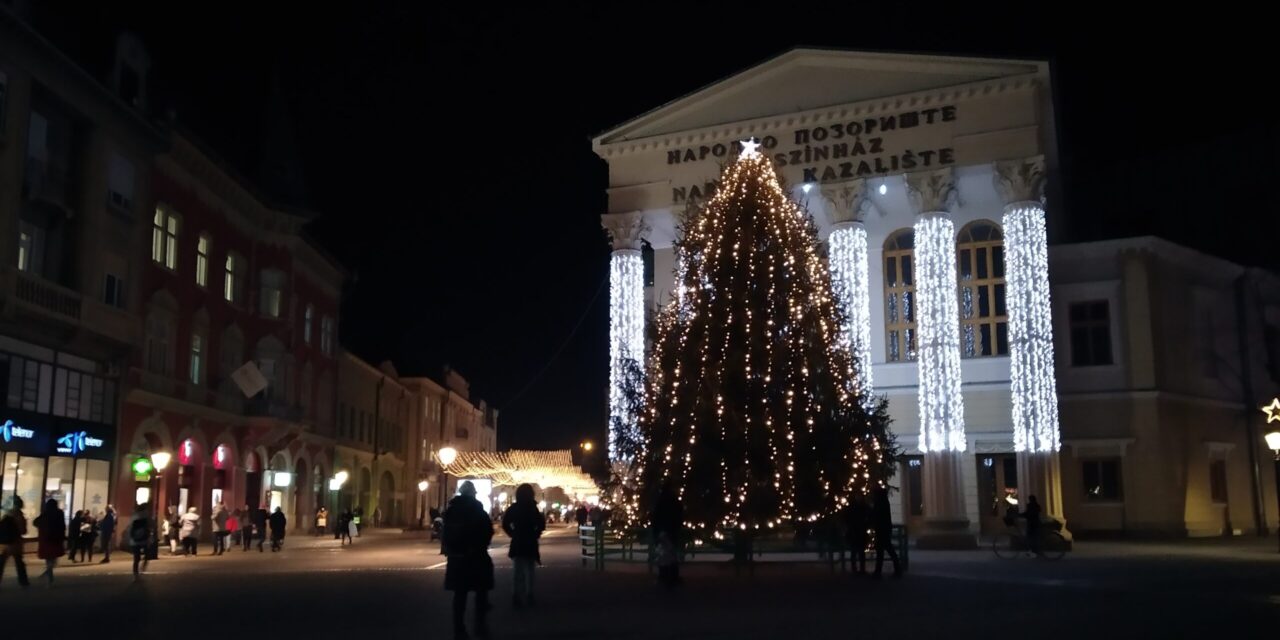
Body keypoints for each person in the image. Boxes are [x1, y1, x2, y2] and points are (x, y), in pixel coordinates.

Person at [443, 481, 494, 640]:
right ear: (473, 493)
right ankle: (479, 625)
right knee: (481, 592)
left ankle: (459, 629)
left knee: (460, 596)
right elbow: (488, 531)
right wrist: (480, 546)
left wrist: (451, 549)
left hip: (457, 558)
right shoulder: (478, 510)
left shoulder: (451, 510)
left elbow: (445, 533)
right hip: (476, 556)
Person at [501, 483, 545, 608]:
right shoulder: (533, 508)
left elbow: (505, 523)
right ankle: (529, 594)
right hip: (530, 540)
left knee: (517, 570)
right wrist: (536, 533)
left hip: (518, 540)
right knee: (530, 569)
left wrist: (512, 533)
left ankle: (516, 595)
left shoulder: (514, 508)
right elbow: (541, 524)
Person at [651, 484, 683, 587]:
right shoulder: (674, 501)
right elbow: (679, 514)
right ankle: (673, 576)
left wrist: (657, 530)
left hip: (663, 531)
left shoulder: (660, 501)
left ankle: (663, 576)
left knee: (663, 555)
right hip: (672, 531)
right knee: (672, 555)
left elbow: (655, 517)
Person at [871, 487, 901, 579]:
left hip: (881, 529)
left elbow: (877, 515)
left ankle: (879, 571)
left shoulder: (880, 502)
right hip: (884, 529)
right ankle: (881, 571)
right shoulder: (884, 501)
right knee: (886, 550)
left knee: (884, 550)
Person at [34, 499, 65, 585]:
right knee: (53, 559)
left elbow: (36, 522)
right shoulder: (59, 513)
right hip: (56, 539)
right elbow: (62, 526)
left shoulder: (45, 513)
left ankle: (49, 577)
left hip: (46, 539)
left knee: (48, 559)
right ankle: (49, 575)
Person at [0, 496, 30, 588]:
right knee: (19, 563)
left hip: (3, 544)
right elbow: (23, 531)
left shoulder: (6, 515)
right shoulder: (19, 516)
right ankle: (23, 582)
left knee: (1, 563)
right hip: (15, 544)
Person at [842, 493, 871, 574]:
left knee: (857, 552)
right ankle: (858, 569)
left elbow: (846, 517)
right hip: (857, 531)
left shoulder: (854, 506)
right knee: (857, 552)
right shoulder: (862, 506)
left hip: (857, 531)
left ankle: (859, 569)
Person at [127, 503, 153, 580]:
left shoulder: (133, 516)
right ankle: (142, 567)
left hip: (134, 540)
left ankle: (136, 574)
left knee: (136, 558)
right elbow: (151, 526)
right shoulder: (146, 516)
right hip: (144, 539)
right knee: (147, 554)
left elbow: (130, 528)